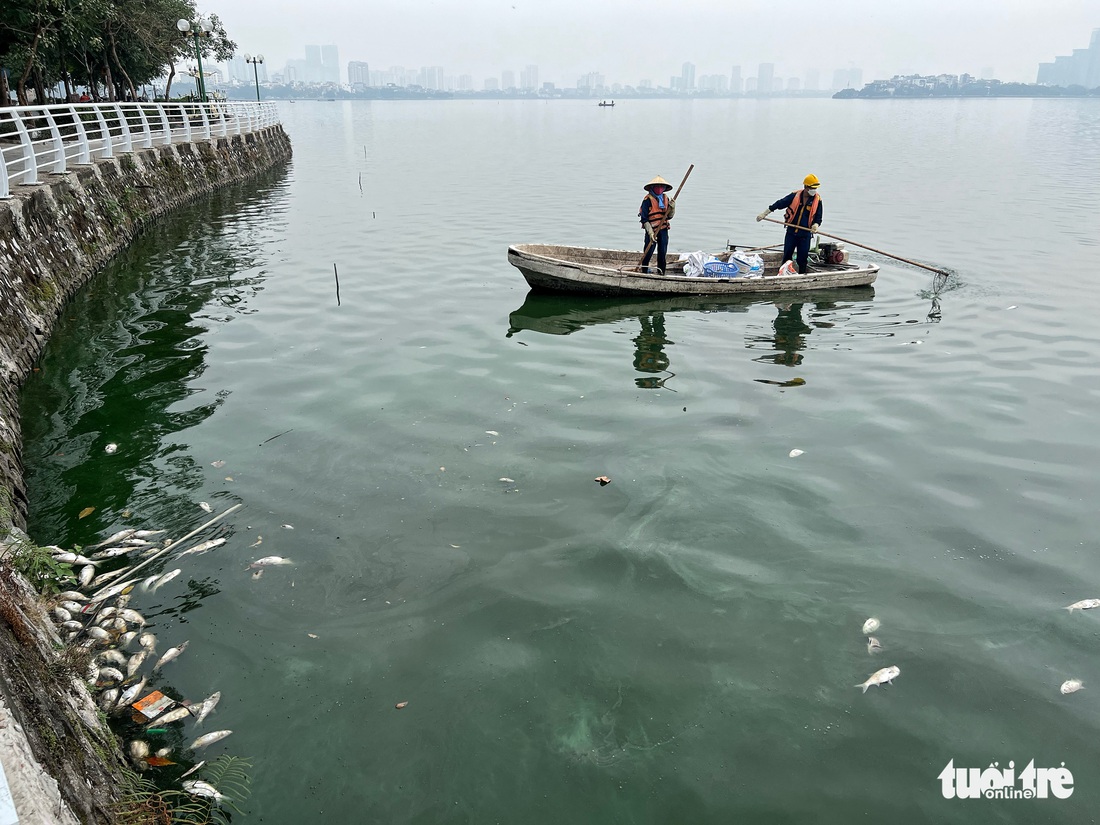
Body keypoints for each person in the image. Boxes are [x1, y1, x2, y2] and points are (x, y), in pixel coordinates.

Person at [756, 174, 822, 274]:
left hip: (805, 234)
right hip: (791, 232)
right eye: (812, 188)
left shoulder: (817, 201)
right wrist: (766, 212)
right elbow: (780, 203)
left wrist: (816, 225)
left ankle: (802, 276)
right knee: (787, 256)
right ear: (805, 187)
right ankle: (783, 274)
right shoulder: (795, 196)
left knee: (802, 259)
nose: (814, 190)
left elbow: (818, 217)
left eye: (815, 188)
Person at [638, 176, 676, 274]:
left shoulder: (666, 199)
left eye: (661, 187)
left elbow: (669, 216)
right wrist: (650, 233)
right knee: (648, 251)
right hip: (651, 230)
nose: (659, 189)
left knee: (662, 252)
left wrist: (672, 208)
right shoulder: (647, 200)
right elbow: (644, 219)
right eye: (657, 186)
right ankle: (644, 270)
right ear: (652, 187)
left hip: (663, 230)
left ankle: (661, 272)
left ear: (664, 188)